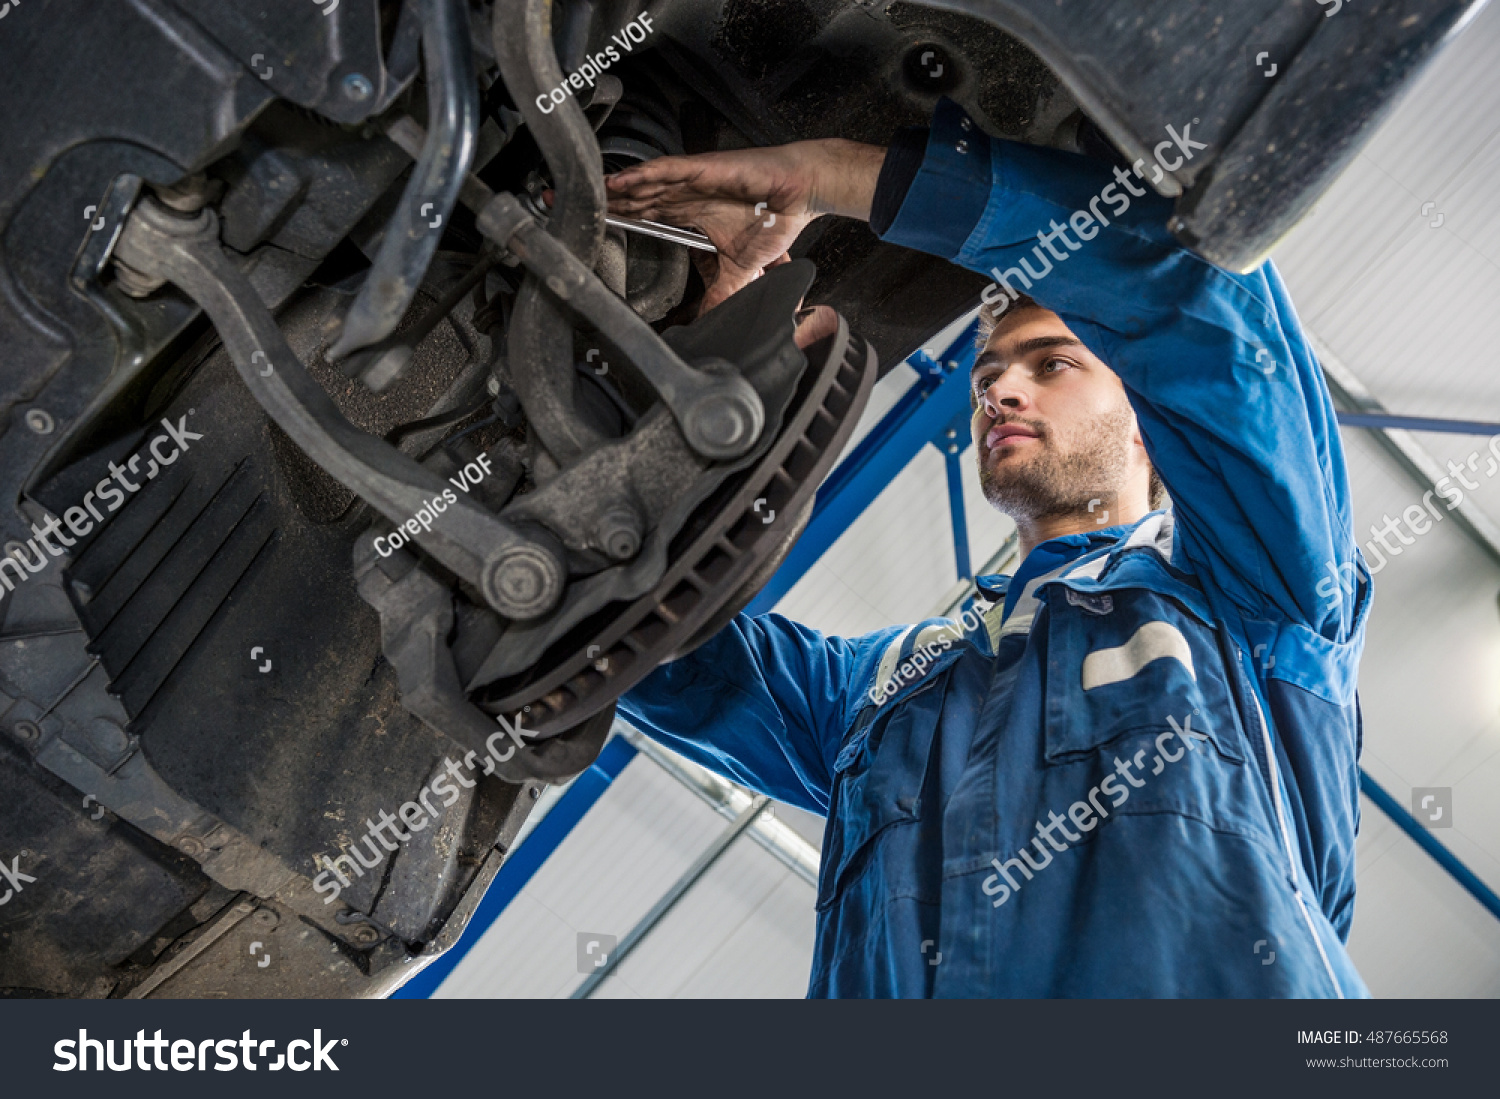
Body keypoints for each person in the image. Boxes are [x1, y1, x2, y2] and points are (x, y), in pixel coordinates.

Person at [607, 98, 1371, 998]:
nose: (1001, 389)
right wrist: (695, 410)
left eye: (1052, 363)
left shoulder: (1248, 599)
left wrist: (825, 177)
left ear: (1146, 422)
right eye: (988, 376)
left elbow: (1202, 316)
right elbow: (643, 638)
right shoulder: (878, 686)